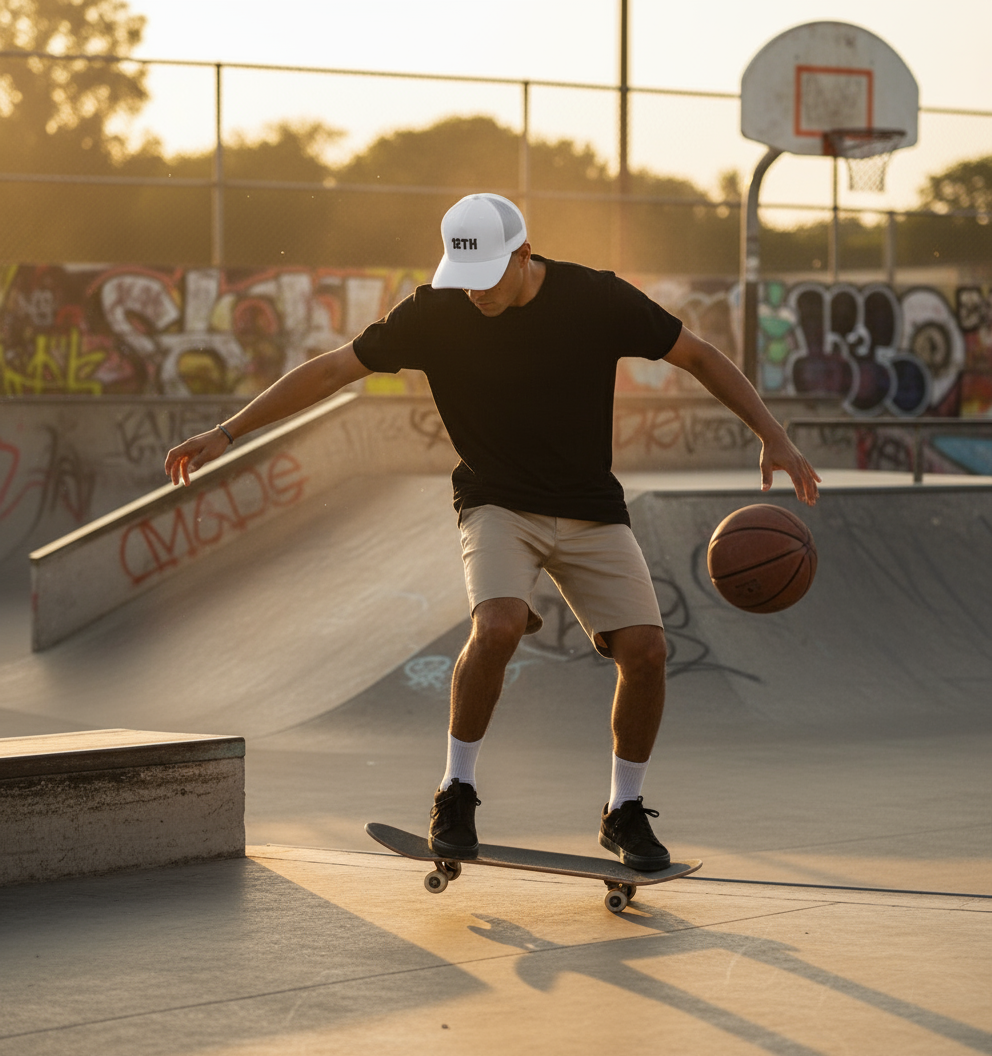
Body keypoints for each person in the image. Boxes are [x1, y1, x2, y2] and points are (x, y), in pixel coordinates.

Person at [165, 192, 820, 871]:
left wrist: (771, 434)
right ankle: (457, 790)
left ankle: (624, 810)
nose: (473, 294)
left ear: (523, 256)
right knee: (500, 625)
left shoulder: (596, 299)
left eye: (485, 279)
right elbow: (334, 368)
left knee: (648, 652)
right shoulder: (435, 313)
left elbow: (698, 355)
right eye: (463, 278)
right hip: (496, 503)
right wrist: (227, 432)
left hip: (590, 505)